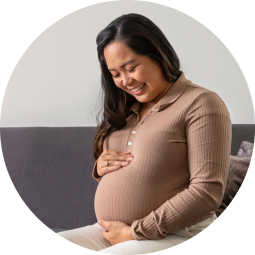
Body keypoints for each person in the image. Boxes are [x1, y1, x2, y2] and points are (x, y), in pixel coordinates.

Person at [56, 13, 232, 254]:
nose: (125, 81)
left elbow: (206, 192)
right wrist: (101, 168)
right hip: (112, 232)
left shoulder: (201, 103)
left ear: (158, 54)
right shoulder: (125, 110)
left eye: (131, 68)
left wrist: (136, 231)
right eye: (115, 74)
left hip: (178, 233)